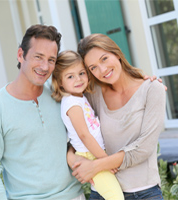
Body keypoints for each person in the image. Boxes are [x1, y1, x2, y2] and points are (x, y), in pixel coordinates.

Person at [0, 24, 85, 200]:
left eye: (51, 60)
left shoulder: (60, 94)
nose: (45, 66)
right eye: (38, 57)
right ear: (21, 55)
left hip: (74, 196)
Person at [67, 34, 166, 200]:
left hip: (144, 193)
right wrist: (72, 159)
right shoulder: (93, 95)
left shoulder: (152, 89)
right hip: (103, 193)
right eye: (93, 67)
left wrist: (95, 166)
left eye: (104, 59)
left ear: (116, 53)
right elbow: (76, 135)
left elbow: (144, 148)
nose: (102, 70)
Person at [51, 50, 124, 200]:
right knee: (115, 197)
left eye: (81, 73)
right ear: (60, 83)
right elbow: (84, 135)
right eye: (70, 76)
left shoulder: (79, 97)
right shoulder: (71, 103)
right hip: (90, 156)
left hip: (94, 153)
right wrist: (105, 160)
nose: (78, 79)